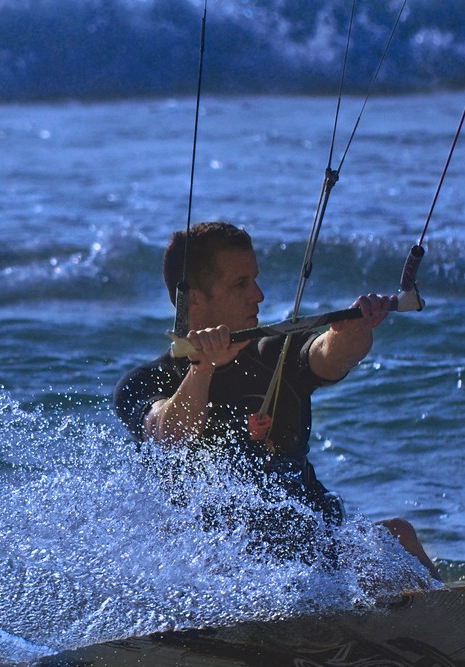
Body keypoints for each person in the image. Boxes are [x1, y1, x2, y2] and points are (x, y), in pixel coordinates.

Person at [113, 221, 438, 577]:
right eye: (241, 284)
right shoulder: (145, 381)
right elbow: (168, 434)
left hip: (314, 550)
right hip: (220, 568)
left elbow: (328, 355)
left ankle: (459, 627)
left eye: (255, 279)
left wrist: (352, 331)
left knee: (396, 537)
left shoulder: (274, 353)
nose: (259, 295)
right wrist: (202, 367)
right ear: (194, 298)